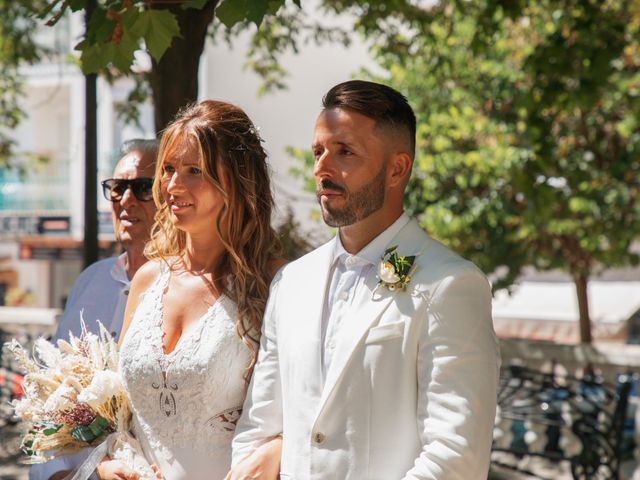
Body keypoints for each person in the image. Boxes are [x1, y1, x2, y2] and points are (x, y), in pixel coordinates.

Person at [231, 80, 501, 479]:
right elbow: (258, 428)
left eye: (345, 152)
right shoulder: (290, 283)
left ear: (397, 168)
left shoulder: (450, 285)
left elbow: (454, 456)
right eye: (318, 151)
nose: (321, 168)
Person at [96, 100, 283, 480]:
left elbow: (306, 405)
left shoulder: (273, 284)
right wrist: (106, 462)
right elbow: (120, 410)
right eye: (168, 170)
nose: (173, 186)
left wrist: (279, 450)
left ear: (236, 179)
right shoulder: (148, 280)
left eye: (194, 170)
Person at [29, 139, 158, 480]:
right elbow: (51, 397)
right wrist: (55, 474)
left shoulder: (180, 288)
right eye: (117, 188)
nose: (126, 200)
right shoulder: (91, 281)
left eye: (142, 187)